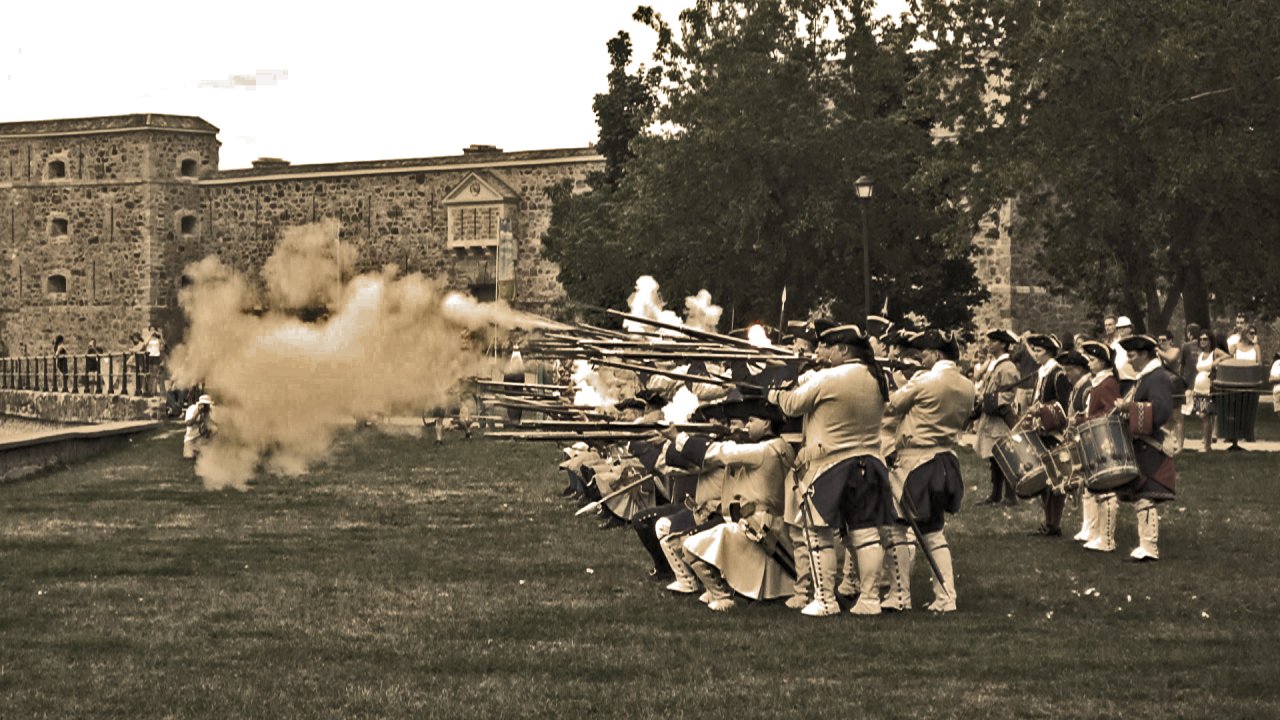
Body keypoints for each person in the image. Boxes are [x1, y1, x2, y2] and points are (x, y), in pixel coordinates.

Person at [767, 323, 893, 617]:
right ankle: (870, 599)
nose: (820, 350)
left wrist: (776, 391)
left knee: (817, 533)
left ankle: (825, 599)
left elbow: (793, 405)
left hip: (830, 464)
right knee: (865, 534)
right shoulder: (877, 376)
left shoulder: (830, 377)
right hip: (869, 461)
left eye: (826, 346)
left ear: (843, 349)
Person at [880, 329, 975, 613]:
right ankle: (946, 597)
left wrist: (898, 383)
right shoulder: (968, 385)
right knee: (934, 532)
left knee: (897, 529)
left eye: (925, 353)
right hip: (945, 459)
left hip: (916, 462)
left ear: (935, 354)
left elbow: (893, 405)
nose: (921, 358)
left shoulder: (924, 380)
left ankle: (899, 596)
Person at [674, 399, 795, 612]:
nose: (746, 425)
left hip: (757, 526)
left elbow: (725, 453)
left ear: (767, 423)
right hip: (763, 523)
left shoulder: (765, 449)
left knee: (690, 546)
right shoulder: (780, 447)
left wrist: (680, 438)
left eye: (751, 420)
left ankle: (723, 595)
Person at [1113, 334, 1177, 561]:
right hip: (1143, 446)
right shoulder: (1147, 377)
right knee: (1141, 496)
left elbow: (1160, 411)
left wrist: (1128, 407)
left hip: (1152, 446)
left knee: (1145, 496)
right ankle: (1146, 545)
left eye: (1131, 356)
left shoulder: (1157, 377)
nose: (1129, 361)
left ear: (1144, 354)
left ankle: (1149, 547)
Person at [1023, 333, 1073, 536]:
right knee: (1045, 477)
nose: (1035, 354)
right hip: (1041, 430)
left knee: (1056, 477)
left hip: (1055, 432)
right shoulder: (1042, 372)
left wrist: (1041, 410)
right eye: (1034, 350)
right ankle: (1048, 521)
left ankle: (1055, 523)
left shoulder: (1057, 374)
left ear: (1049, 352)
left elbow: (1064, 404)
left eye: (1039, 350)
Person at [1078, 341, 1123, 552]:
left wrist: (1091, 421)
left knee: (1106, 490)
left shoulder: (1107, 384)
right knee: (1094, 488)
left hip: (1104, 439)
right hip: (1095, 438)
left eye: (1093, 359)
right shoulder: (1099, 382)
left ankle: (1107, 539)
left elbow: (1109, 413)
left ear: (1104, 362)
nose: (1089, 363)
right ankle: (1095, 532)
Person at [974, 329, 1021, 506]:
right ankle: (995, 494)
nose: (989, 344)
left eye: (993, 341)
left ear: (1003, 344)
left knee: (1004, 456)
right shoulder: (996, 365)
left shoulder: (1007, 368)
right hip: (991, 417)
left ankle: (1010, 495)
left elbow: (1008, 395)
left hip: (1001, 418)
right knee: (994, 457)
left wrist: (989, 401)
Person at [1192, 331, 1229, 453]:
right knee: (1202, 417)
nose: (1202, 341)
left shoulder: (1215, 352)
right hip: (1198, 389)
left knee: (1205, 416)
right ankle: (1206, 443)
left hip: (1209, 389)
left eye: (1205, 339)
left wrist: (1217, 361)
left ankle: (1207, 446)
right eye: (1201, 339)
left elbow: (1229, 356)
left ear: (1210, 340)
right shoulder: (1200, 354)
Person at [183, 394, 216, 460]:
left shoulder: (211, 410)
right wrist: (197, 413)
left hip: (203, 438)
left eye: (207, 405)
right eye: (204, 405)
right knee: (189, 457)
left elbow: (215, 425)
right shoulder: (192, 409)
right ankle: (195, 450)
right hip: (191, 439)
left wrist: (208, 417)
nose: (205, 407)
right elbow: (188, 423)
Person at [1111, 316, 1137, 387]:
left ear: (1130, 328)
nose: (1121, 329)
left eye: (1124, 327)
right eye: (1119, 328)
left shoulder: (1136, 342)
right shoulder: (1114, 345)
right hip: (1118, 381)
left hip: (1134, 380)